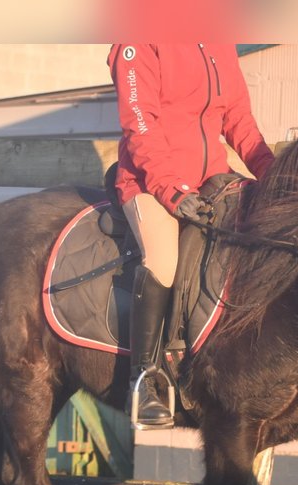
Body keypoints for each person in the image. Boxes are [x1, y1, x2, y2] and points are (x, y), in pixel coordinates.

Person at [108, 43, 276, 429]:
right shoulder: (138, 40)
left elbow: (239, 121)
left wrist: (274, 176)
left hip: (211, 183)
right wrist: (170, 190)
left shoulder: (218, 39)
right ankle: (146, 379)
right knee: (163, 260)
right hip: (151, 183)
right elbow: (140, 122)